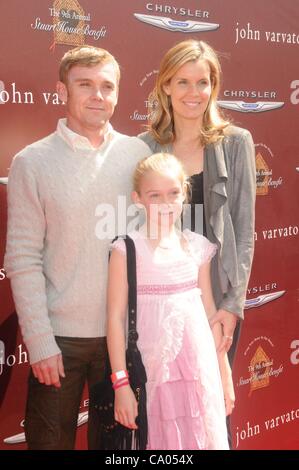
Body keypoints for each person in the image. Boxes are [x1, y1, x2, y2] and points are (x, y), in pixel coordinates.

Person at [4, 45, 151, 450]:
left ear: (118, 93)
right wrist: (39, 341)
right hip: (59, 342)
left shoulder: (137, 155)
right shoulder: (32, 162)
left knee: (120, 451)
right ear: (61, 91)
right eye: (84, 85)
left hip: (121, 339)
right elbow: (23, 257)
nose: (97, 96)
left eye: (107, 86)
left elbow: (149, 245)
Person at [138, 40, 256, 362]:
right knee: (167, 407)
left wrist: (233, 304)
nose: (194, 92)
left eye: (202, 82)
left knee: (217, 404)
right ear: (166, 86)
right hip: (163, 297)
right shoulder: (144, 147)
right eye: (183, 82)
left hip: (215, 298)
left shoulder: (236, 142)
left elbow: (244, 233)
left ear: (213, 86)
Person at [107, 152, 233, 450]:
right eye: (155, 195)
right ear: (138, 198)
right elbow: (114, 318)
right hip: (153, 376)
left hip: (199, 372)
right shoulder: (127, 250)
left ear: (184, 194)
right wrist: (121, 384)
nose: (165, 203)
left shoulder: (198, 247)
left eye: (173, 193)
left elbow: (210, 312)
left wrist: (224, 372)